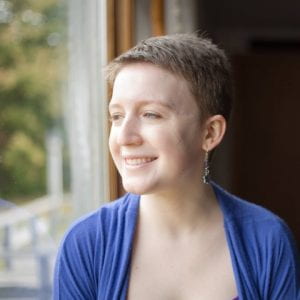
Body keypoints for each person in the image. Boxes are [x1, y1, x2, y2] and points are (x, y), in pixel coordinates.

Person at [53, 33, 300, 299]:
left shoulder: (267, 240)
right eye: (117, 116)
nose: (124, 136)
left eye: (151, 114)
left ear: (210, 133)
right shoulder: (86, 244)